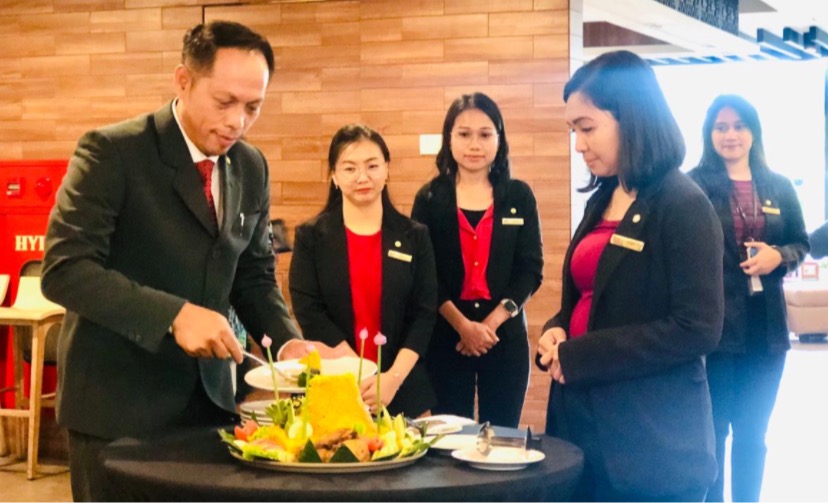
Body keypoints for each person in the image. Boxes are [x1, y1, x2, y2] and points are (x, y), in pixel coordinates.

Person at [40, 21, 343, 501]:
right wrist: (174, 315)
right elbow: (65, 269)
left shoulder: (250, 165)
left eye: (253, 107)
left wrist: (288, 347)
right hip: (118, 411)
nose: (237, 122)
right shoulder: (113, 151)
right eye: (224, 103)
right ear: (183, 81)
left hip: (209, 406)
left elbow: (253, 276)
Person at [536, 50, 724, 501]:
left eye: (587, 128)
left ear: (632, 118)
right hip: (581, 422)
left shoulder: (683, 204)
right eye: (572, 131)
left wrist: (584, 354)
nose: (578, 144)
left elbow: (697, 329)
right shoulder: (603, 197)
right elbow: (585, 297)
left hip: (648, 439)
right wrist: (555, 330)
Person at [688, 94, 810, 502]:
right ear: (709, 134)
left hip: (767, 330)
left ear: (754, 131)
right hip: (716, 328)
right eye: (720, 127)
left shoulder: (778, 185)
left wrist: (781, 256)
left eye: (739, 126)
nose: (730, 135)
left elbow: (801, 242)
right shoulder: (693, 185)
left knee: (754, 434)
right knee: (715, 431)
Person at [411, 92, 543, 428]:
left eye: (485, 134)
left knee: (499, 437)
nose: (474, 144)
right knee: (450, 440)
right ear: (449, 139)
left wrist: (489, 325)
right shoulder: (429, 198)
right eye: (464, 134)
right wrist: (463, 327)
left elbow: (530, 270)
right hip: (446, 337)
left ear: (499, 138)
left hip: (504, 337)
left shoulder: (519, 196)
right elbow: (424, 274)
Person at [289, 124, 438, 418]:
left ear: (387, 169)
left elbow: (424, 314)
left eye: (372, 166)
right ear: (333, 175)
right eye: (349, 168)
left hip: (403, 387)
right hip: (335, 386)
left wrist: (391, 379)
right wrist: (355, 371)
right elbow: (309, 311)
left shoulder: (415, 236)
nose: (362, 177)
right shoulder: (311, 237)